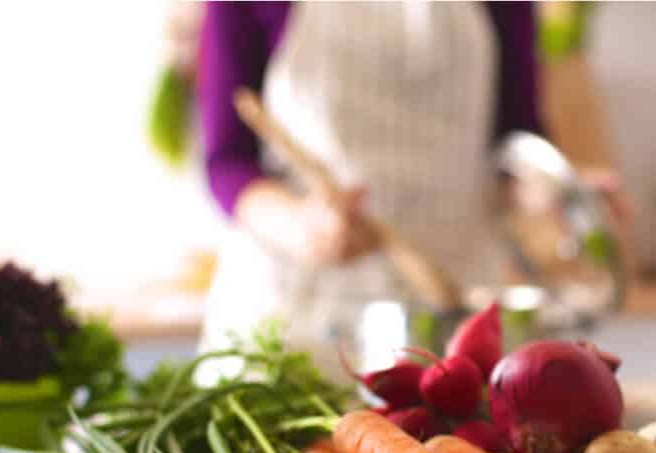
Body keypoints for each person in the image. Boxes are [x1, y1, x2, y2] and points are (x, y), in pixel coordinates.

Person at [196, 1, 630, 373]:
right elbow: (227, 161)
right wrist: (300, 225)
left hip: (454, 311)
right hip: (294, 314)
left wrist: (557, 192)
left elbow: (512, 144)